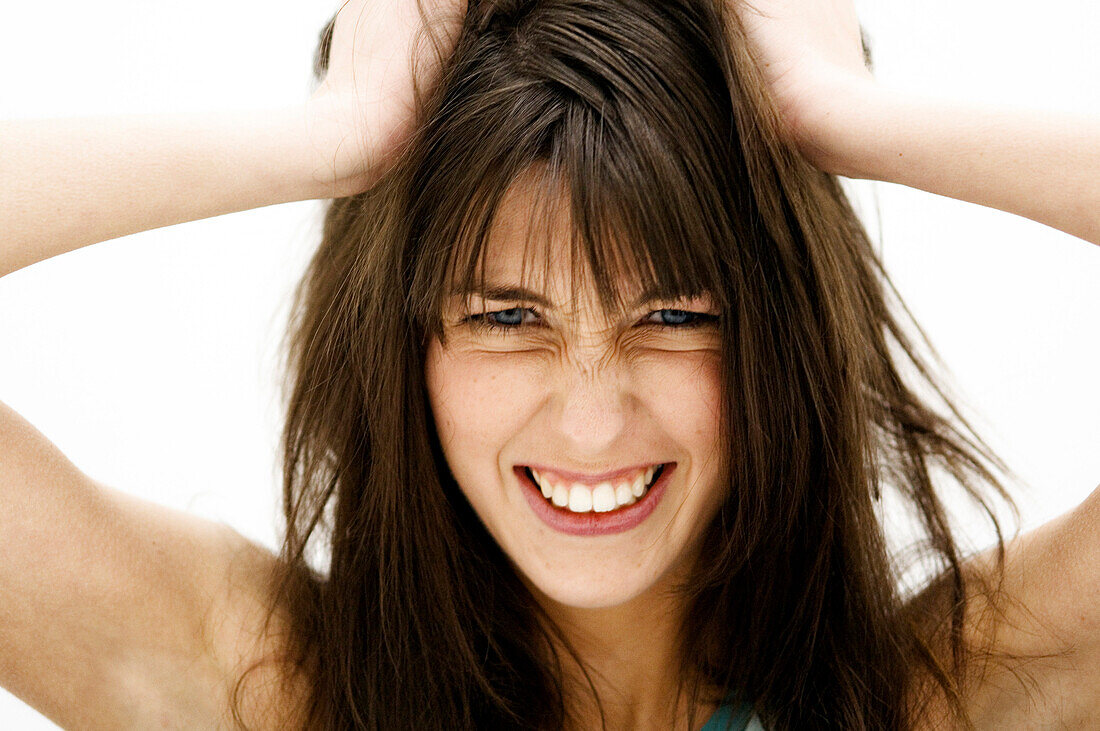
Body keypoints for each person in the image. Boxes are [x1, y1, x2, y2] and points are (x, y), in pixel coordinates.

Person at [0, 0, 1097, 728]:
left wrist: (841, 117)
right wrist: (340, 137)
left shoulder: (932, 699)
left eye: (671, 313)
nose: (587, 422)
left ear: (780, 335)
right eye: (504, 318)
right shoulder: (267, 686)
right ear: (403, 340)